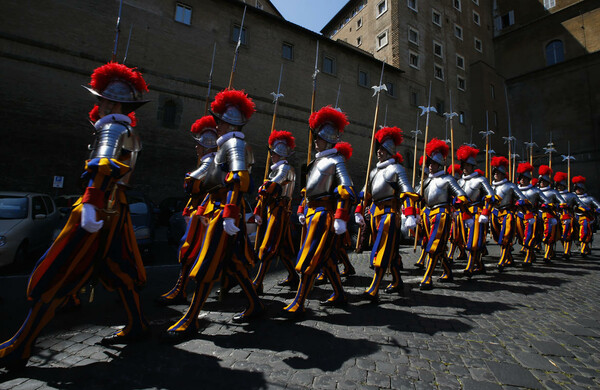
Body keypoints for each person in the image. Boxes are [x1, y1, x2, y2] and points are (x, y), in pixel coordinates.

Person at [0, 62, 151, 370]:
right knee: (120, 268)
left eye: (106, 100)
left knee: (59, 269)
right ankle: (137, 324)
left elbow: (103, 165)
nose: (100, 103)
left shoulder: (112, 127)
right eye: (101, 98)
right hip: (115, 207)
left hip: (99, 206)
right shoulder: (127, 130)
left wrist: (92, 203)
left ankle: (22, 343)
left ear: (117, 103)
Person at [164, 89, 263, 341]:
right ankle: (254, 303)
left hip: (223, 213)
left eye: (219, 121)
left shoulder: (234, 144)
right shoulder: (225, 145)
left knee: (207, 262)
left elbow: (238, 179)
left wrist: (229, 213)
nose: (215, 125)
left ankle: (191, 317)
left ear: (229, 122)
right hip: (216, 209)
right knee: (234, 263)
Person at [284, 106, 355, 317]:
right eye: (315, 137)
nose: (315, 140)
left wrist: (341, 217)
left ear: (330, 138)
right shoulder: (316, 161)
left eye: (319, 137)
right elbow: (308, 192)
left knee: (310, 258)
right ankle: (339, 293)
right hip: (312, 215)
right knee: (326, 259)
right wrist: (303, 209)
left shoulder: (336, 160)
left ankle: (299, 301)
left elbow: (347, 189)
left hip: (324, 217)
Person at [156, 116, 218, 305]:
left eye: (199, 144)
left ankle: (182, 290)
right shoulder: (207, 161)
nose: (196, 147)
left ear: (207, 146)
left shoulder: (210, 162)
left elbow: (193, 185)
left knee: (191, 250)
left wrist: (191, 179)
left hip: (204, 211)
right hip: (198, 210)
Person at [354, 126, 417, 301]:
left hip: (389, 215)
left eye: (382, 149)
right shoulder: (373, 171)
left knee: (380, 251)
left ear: (390, 150)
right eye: (378, 149)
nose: (379, 152)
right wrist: (359, 211)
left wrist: (410, 214)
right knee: (392, 251)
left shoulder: (397, 169)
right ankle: (397, 281)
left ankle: (374, 287)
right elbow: (365, 194)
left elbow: (407, 192)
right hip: (374, 215)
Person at [417, 138, 468, 290]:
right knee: (435, 245)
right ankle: (447, 271)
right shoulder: (425, 181)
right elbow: (419, 197)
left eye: (433, 163)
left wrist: (458, 202)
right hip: (427, 214)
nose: (430, 166)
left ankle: (427, 277)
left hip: (442, 214)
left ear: (439, 164)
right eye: (429, 163)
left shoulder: (447, 179)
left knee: (434, 245)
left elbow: (461, 195)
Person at [252, 130, 299, 293]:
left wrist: (264, 187)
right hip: (274, 209)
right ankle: (293, 275)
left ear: (279, 154)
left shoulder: (285, 169)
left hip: (279, 210)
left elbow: (273, 185)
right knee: (283, 249)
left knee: (268, 245)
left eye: (273, 153)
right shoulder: (280, 168)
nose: (271, 156)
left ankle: (258, 282)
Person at [456, 145, 495, 277]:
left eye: (468, 165)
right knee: (466, 241)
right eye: (464, 165)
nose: (465, 168)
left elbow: (491, 197)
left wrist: (485, 212)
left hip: (477, 214)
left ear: (472, 166)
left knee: (473, 242)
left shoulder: (480, 180)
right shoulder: (460, 181)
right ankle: (479, 265)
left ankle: (470, 267)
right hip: (463, 214)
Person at [490, 157, 527, 271]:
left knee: (505, 237)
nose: (496, 174)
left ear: (502, 173)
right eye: (494, 172)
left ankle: (502, 260)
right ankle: (509, 259)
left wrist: (519, 202)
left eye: (498, 172)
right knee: (497, 237)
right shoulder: (491, 187)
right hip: (495, 213)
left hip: (507, 213)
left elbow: (521, 198)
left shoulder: (511, 186)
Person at [516, 163, 550, 266]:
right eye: (521, 178)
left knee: (529, 237)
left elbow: (546, 201)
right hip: (519, 215)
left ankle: (529, 257)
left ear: (528, 179)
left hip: (531, 216)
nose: (522, 180)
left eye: (525, 178)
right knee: (521, 238)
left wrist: (544, 205)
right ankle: (531, 254)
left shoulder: (535, 191)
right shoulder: (516, 189)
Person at [537, 165, 566, 262]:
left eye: (544, 181)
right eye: (540, 181)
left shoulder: (553, 192)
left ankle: (547, 253)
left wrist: (554, 206)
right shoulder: (536, 191)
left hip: (549, 215)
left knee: (549, 234)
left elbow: (561, 202)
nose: (542, 183)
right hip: (538, 214)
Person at [554, 171, 580, 259]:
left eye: (561, 186)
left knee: (568, 234)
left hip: (568, 216)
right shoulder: (554, 194)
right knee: (558, 234)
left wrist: (571, 207)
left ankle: (567, 251)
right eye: (558, 186)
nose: (559, 187)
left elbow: (579, 204)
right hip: (557, 216)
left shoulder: (571, 195)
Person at [572, 176, 600, 257]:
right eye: (577, 188)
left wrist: (593, 210)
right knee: (575, 233)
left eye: (580, 188)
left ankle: (585, 248)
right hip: (575, 217)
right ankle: (579, 246)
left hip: (586, 218)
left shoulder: (589, 198)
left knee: (586, 233)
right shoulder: (573, 197)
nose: (578, 190)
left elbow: (598, 206)